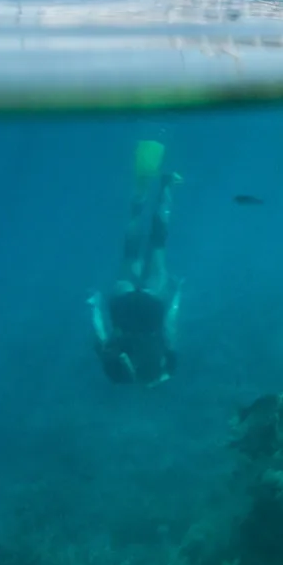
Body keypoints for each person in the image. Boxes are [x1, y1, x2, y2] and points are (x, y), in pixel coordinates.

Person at [90, 140, 182, 386]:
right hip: (122, 308)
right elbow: (99, 332)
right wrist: (95, 303)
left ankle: (166, 186)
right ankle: (140, 195)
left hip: (152, 310)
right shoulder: (112, 364)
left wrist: (177, 296)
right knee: (131, 253)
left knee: (158, 246)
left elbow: (170, 328)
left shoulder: (166, 368)